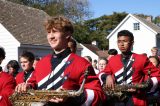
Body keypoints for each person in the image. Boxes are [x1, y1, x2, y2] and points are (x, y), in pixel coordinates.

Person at [15, 16, 105, 106]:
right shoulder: (41, 63)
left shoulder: (82, 63)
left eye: (55, 32)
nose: (51, 36)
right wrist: (28, 86)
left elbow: (98, 94)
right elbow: (34, 83)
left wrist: (70, 97)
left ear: (67, 34)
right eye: (48, 32)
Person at [99, 30, 160, 106]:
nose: (121, 44)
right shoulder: (112, 60)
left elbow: (157, 75)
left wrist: (143, 86)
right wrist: (107, 76)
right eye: (119, 41)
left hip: (136, 99)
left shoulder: (142, 59)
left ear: (132, 43)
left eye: (124, 41)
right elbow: (101, 73)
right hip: (116, 100)